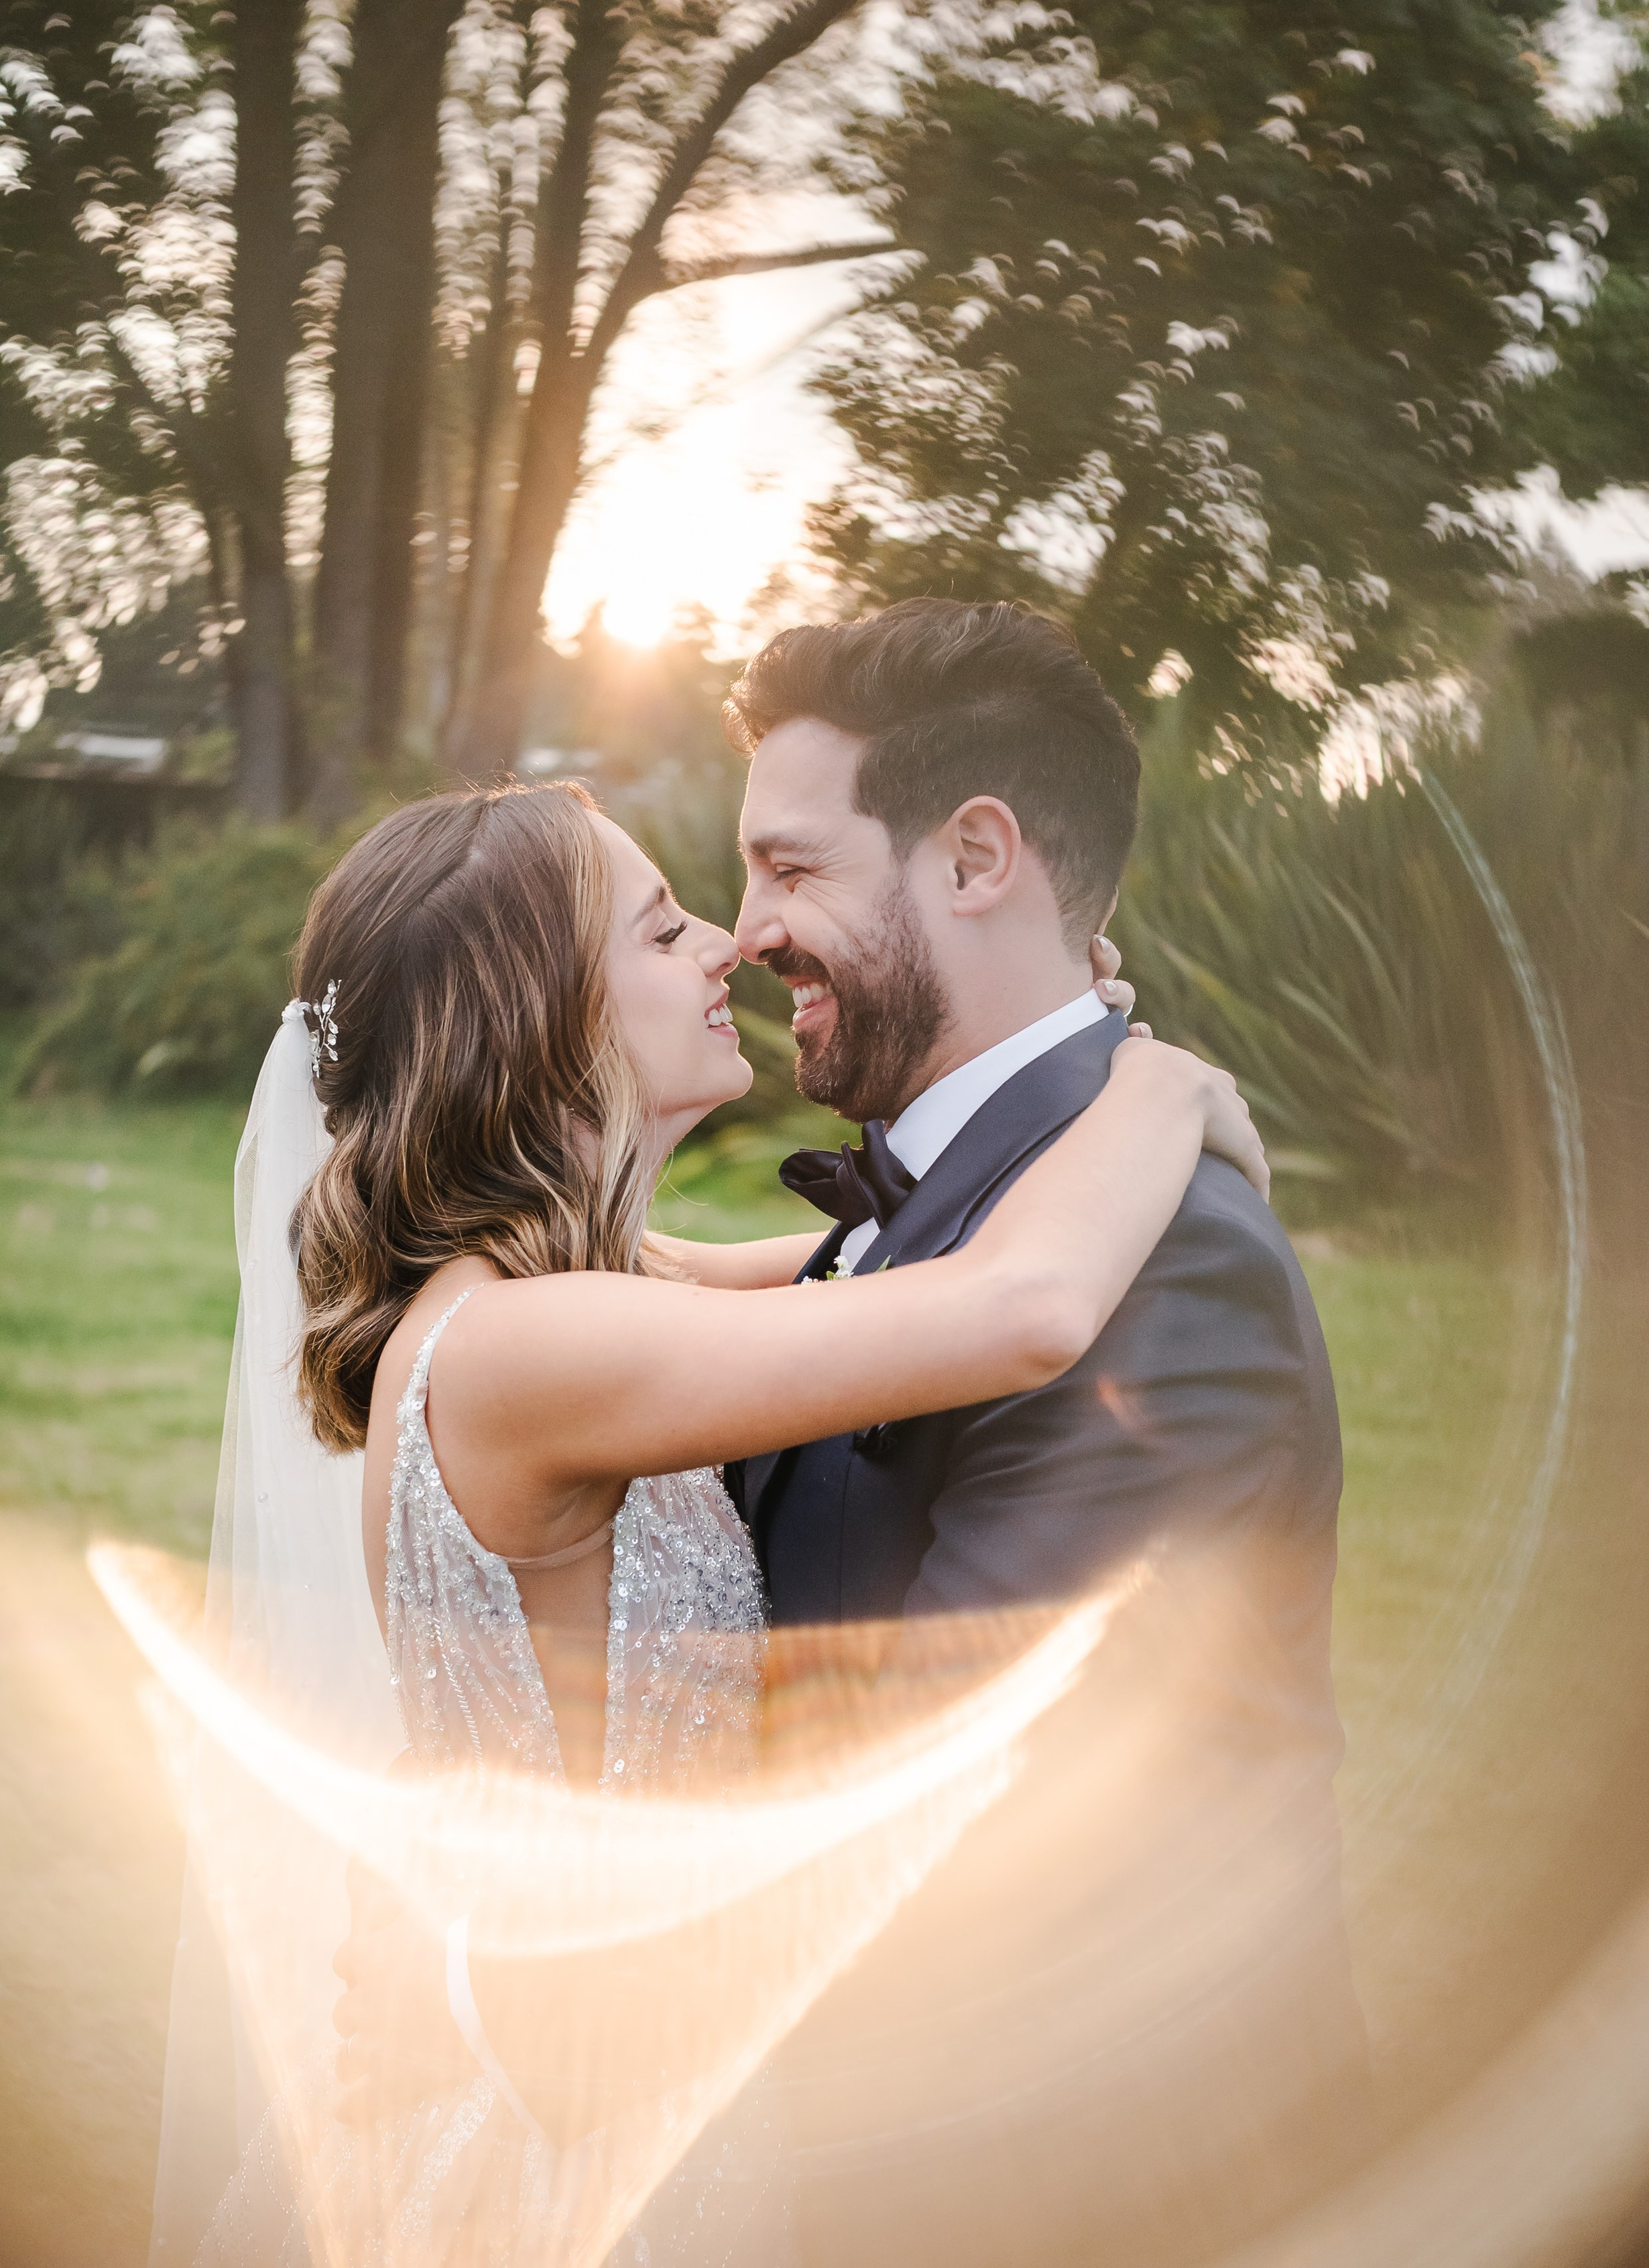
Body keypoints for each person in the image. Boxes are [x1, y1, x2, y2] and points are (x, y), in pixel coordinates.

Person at [156, 764, 1265, 2267]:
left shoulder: (568, 1298)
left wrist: (1029, 1068)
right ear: (540, 1012)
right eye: (664, 927)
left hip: (626, 2058)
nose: (723, 951)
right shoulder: (524, 1351)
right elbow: (1019, 1306)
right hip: (597, 2111)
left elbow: (874, 1264)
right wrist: (1161, 1086)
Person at [718, 598, 1365, 2266]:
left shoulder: (1165, 1272)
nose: (742, 933)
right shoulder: (962, 1208)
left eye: (788, 870)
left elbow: (1004, 1831)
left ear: (975, 854)